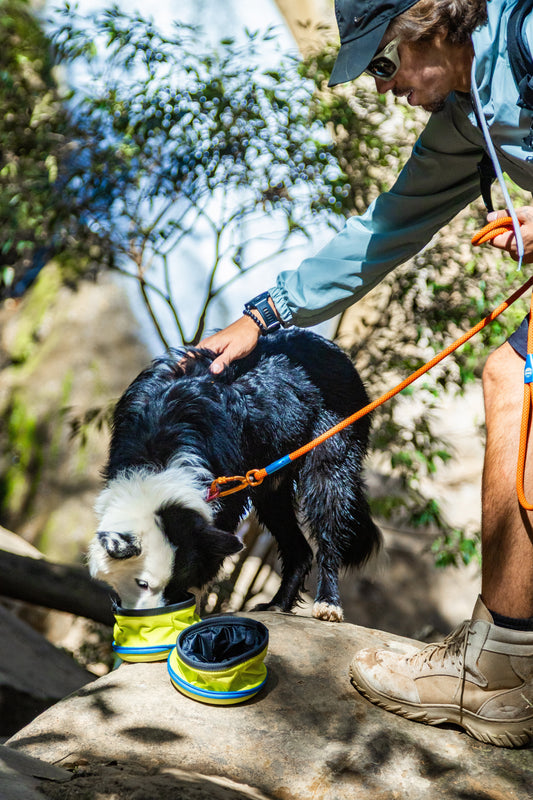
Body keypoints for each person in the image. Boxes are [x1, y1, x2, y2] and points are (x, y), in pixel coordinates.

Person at [200, 0, 533, 748]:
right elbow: (385, 228)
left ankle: (501, 673)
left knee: (513, 384)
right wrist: (263, 315)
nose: (381, 86)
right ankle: (507, 656)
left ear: (431, 21)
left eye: (382, 62)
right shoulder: (465, 119)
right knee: (511, 381)